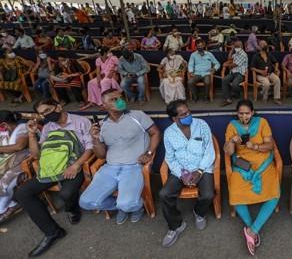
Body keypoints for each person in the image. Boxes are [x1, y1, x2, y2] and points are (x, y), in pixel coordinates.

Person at [14, 98, 93, 257]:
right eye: (42, 114)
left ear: (58, 106)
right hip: (51, 167)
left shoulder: (81, 121)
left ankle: (72, 208)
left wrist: (76, 165)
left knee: (66, 194)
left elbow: (90, 147)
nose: (46, 115)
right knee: (22, 193)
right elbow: (37, 155)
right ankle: (53, 232)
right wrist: (31, 135)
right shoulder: (48, 128)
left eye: (48, 111)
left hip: (72, 166)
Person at [79, 89, 160, 224]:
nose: (120, 101)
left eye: (120, 97)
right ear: (104, 106)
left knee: (127, 203)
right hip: (109, 168)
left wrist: (149, 153)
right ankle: (123, 206)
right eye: (114, 99)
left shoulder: (137, 115)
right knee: (86, 202)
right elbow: (101, 155)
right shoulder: (102, 125)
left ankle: (134, 207)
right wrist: (95, 140)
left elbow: (155, 133)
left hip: (134, 166)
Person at [224, 100, 280, 255]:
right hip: (242, 165)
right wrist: (231, 140)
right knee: (235, 194)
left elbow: (270, 146)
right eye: (241, 113)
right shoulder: (232, 126)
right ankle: (252, 229)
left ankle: (252, 230)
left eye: (247, 113)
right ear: (237, 114)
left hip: (263, 163)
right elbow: (228, 152)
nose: (244, 116)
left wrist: (255, 146)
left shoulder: (262, 122)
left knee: (274, 195)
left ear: (253, 112)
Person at [160, 100, 215, 248]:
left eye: (188, 112)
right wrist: (182, 174)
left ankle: (199, 212)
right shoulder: (169, 133)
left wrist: (199, 171)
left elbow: (210, 150)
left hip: (202, 167)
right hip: (181, 169)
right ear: (174, 118)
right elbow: (170, 158)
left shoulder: (201, 125)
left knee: (208, 194)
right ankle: (175, 225)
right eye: (183, 114)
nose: (188, 115)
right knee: (164, 194)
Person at [0, 111, 29, 223]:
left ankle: (4, 208)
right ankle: (11, 203)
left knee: (3, 184)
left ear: (4, 124)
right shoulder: (5, 132)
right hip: (9, 162)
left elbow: (19, 146)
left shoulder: (22, 128)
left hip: (24, 162)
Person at [221, 40, 248, 106]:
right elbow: (229, 58)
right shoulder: (235, 54)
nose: (236, 48)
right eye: (235, 46)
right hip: (233, 72)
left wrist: (225, 65)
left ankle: (237, 94)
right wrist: (232, 49)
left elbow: (234, 64)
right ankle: (228, 99)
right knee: (224, 80)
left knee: (234, 84)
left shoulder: (243, 54)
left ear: (241, 46)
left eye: (237, 46)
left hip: (240, 73)